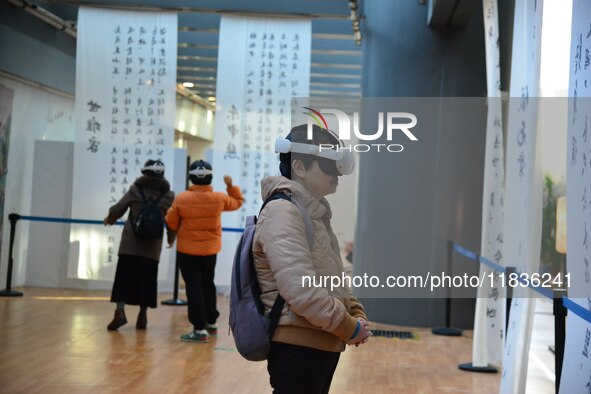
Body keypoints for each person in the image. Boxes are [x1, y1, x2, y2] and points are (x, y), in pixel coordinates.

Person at [253, 124, 371, 394]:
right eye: (329, 165)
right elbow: (300, 290)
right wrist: (349, 327)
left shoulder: (314, 212)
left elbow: (333, 276)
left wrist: (356, 313)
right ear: (300, 167)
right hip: (298, 344)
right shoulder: (283, 211)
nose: (338, 173)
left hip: (322, 338)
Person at [166, 159, 244, 343]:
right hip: (210, 250)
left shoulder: (182, 198)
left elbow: (171, 222)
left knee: (194, 287)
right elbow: (238, 202)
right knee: (208, 283)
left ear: (191, 178)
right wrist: (230, 185)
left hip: (187, 250)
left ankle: (199, 329)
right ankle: (211, 322)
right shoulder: (218, 198)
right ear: (210, 177)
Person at [103, 159, 175, 331]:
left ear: (145, 173)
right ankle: (142, 316)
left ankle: (120, 312)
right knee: (147, 280)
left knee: (124, 279)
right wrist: (171, 238)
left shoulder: (136, 190)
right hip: (152, 246)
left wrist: (109, 219)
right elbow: (172, 220)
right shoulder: (169, 195)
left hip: (130, 243)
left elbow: (119, 208)